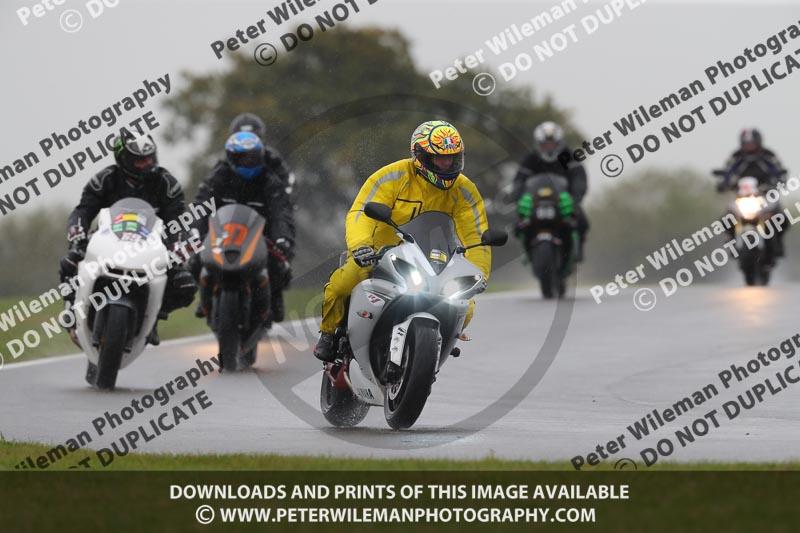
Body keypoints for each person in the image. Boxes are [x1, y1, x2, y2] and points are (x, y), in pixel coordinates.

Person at [313, 120, 492, 363]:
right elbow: (361, 213)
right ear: (420, 155)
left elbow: (477, 236)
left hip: (435, 263)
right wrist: (361, 247)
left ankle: (437, 348)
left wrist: (479, 273)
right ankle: (328, 334)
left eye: (452, 158)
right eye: (439, 158)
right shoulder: (391, 176)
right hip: (379, 254)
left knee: (465, 304)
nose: (446, 164)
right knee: (344, 282)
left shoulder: (465, 190)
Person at [59, 129, 197, 346]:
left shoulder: (167, 184)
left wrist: (178, 246)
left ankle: (155, 317)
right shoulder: (104, 180)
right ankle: (70, 310)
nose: (147, 164)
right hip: (107, 241)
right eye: (139, 160)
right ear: (123, 158)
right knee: (69, 263)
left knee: (185, 284)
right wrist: (77, 233)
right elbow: (83, 211)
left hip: (152, 246)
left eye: (149, 158)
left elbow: (179, 221)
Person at [191, 131, 296, 324]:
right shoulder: (219, 177)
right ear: (232, 158)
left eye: (253, 157)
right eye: (243, 157)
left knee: (280, 265)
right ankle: (205, 296)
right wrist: (196, 231)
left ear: (261, 156)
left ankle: (274, 297)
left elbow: (280, 212)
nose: (249, 162)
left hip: (261, 236)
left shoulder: (270, 180)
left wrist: (283, 237)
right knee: (195, 260)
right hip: (224, 235)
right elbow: (201, 205)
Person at [509, 121, 589, 261]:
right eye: (545, 144)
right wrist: (519, 197)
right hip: (536, 203)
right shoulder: (530, 159)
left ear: (559, 143)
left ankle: (577, 252)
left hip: (562, 203)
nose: (549, 147)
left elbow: (579, 179)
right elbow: (519, 181)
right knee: (517, 224)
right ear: (538, 144)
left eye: (552, 144)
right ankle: (525, 252)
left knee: (581, 221)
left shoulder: (569, 157)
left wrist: (574, 198)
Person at [717, 128, 788, 259]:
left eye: (751, 143)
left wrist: (779, 181)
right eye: (746, 143)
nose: (749, 146)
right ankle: (731, 242)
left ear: (758, 142)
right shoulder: (736, 157)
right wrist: (724, 183)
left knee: (781, 218)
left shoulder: (768, 156)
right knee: (726, 219)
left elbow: (778, 171)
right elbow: (728, 172)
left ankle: (777, 244)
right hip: (741, 197)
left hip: (765, 197)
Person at [229, 112, 296, 196]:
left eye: (253, 138)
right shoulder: (225, 165)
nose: (248, 145)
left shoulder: (272, 159)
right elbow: (212, 192)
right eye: (242, 139)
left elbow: (288, 186)